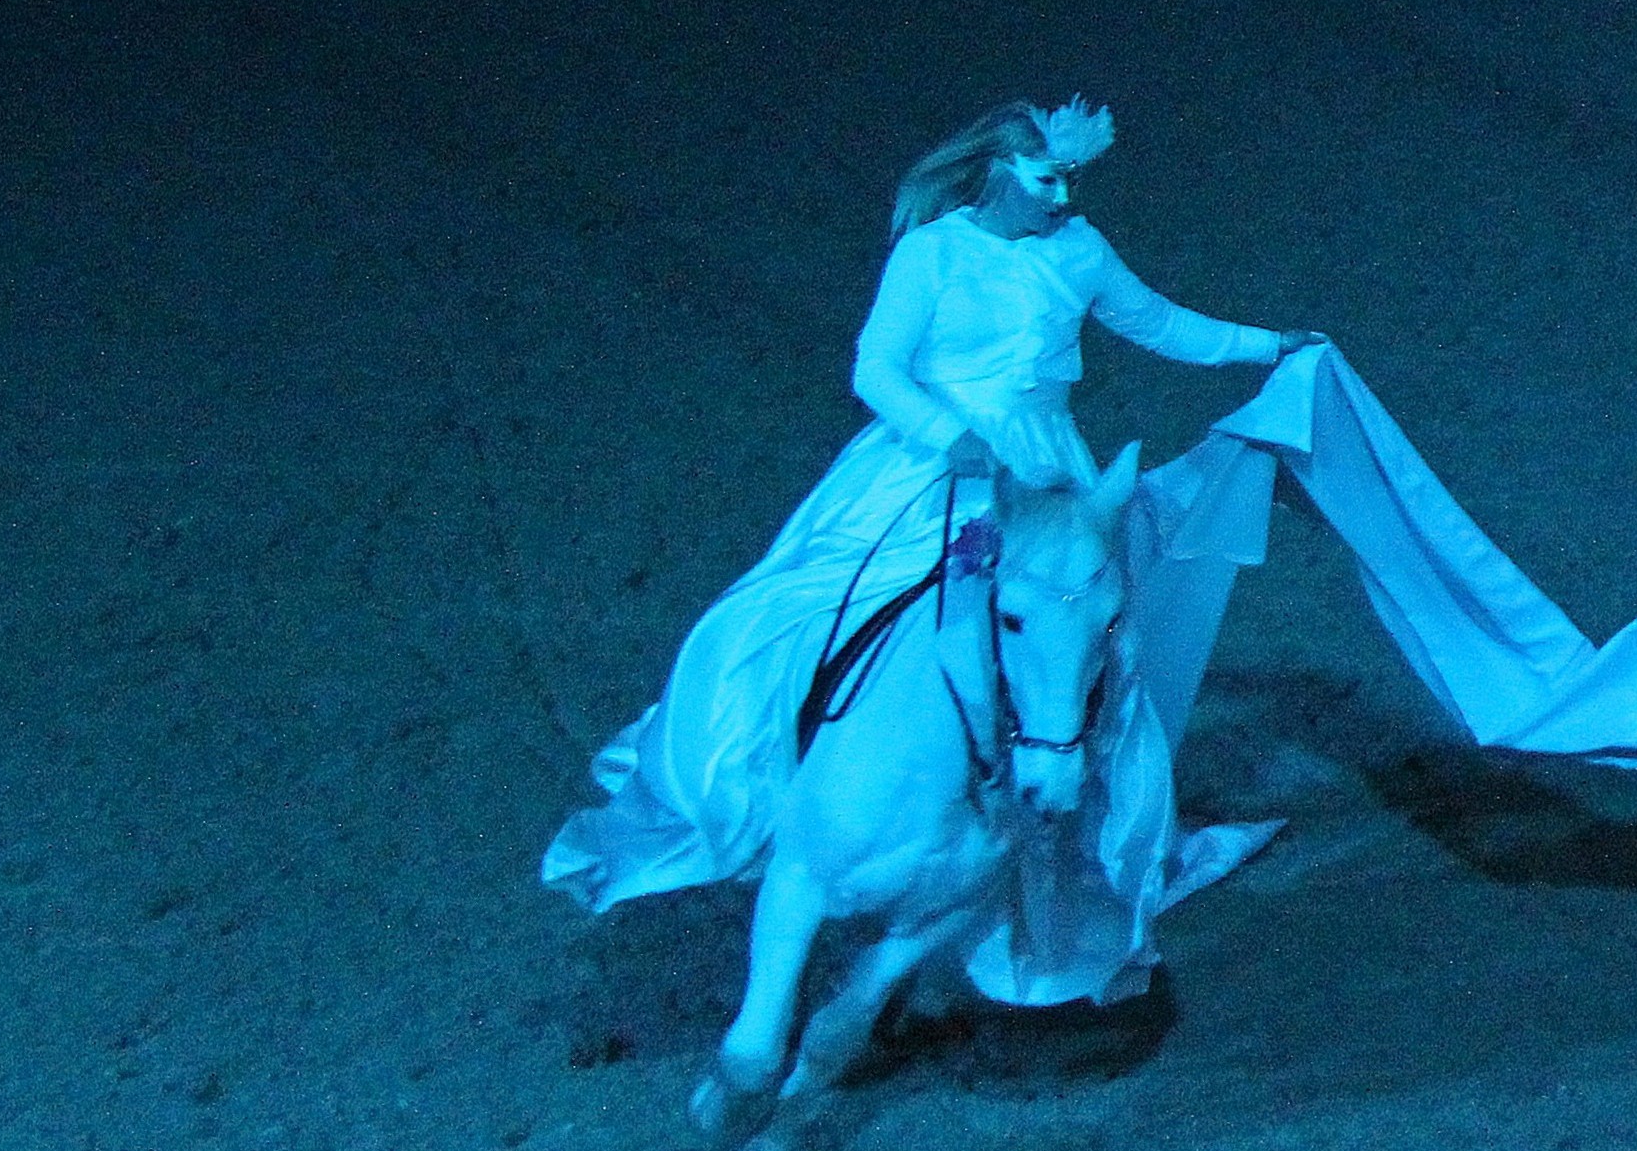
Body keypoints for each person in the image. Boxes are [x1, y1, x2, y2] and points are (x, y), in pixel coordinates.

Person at [543, 98, 1303, 927]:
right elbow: (877, 367)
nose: (1062, 197)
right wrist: (951, 436)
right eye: (1046, 179)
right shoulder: (933, 252)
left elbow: (1159, 322)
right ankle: (777, 777)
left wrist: (1270, 345)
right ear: (998, 172)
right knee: (812, 606)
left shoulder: (1080, 249)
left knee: (1081, 642)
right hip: (929, 463)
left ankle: (1077, 837)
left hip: (1044, 465)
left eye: (1070, 180)